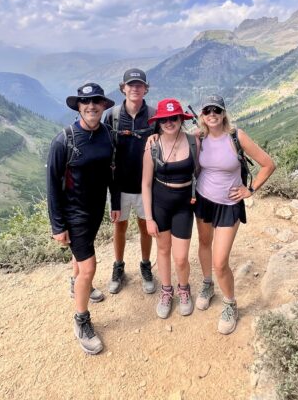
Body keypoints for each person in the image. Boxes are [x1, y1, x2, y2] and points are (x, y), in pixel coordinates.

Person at [46, 83, 119, 355]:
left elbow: (111, 171)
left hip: (97, 209)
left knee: (80, 263)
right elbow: (52, 185)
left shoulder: (108, 136)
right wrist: (57, 225)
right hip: (73, 213)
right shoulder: (64, 140)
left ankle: (76, 285)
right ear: (78, 107)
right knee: (89, 268)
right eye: (85, 102)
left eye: (96, 102)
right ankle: (82, 321)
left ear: (103, 106)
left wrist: (115, 201)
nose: (91, 106)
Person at [194, 95, 275, 334]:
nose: (212, 114)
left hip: (229, 205)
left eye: (216, 110)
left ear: (223, 113)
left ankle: (230, 303)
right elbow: (173, 137)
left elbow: (268, 164)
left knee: (220, 262)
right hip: (203, 199)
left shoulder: (236, 137)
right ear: (202, 115)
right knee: (205, 243)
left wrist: (250, 190)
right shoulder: (199, 137)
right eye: (207, 110)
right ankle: (207, 285)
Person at [142, 98, 198, 319]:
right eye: (164, 119)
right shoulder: (152, 146)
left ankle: (184, 289)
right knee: (163, 250)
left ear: (180, 119)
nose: (168, 122)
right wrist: (148, 218)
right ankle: (167, 291)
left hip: (184, 204)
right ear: (159, 122)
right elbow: (145, 183)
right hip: (160, 204)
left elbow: (203, 171)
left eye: (173, 118)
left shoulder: (194, 142)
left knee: (181, 257)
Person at [103, 68, 156, 295]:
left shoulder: (154, 115)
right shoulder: (112, 115)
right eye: (130, 85)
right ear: (123, 88)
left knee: (146, 227)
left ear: (145, 88)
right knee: (120, 227)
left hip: (146, 186)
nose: (135, 88)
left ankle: (145, 266)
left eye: (139, 85)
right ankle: (119, 266)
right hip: (120, 186)